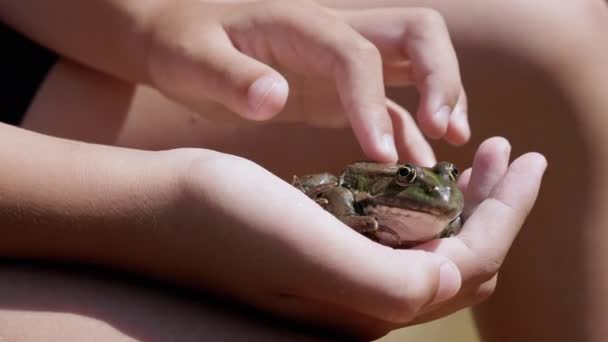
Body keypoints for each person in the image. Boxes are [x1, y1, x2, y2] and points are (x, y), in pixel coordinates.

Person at [0, 1, 546, 340]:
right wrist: (162, 212)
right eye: (409, 180)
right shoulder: (356, 191)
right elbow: (336, 194)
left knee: (546, 41)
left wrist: (157, 19)